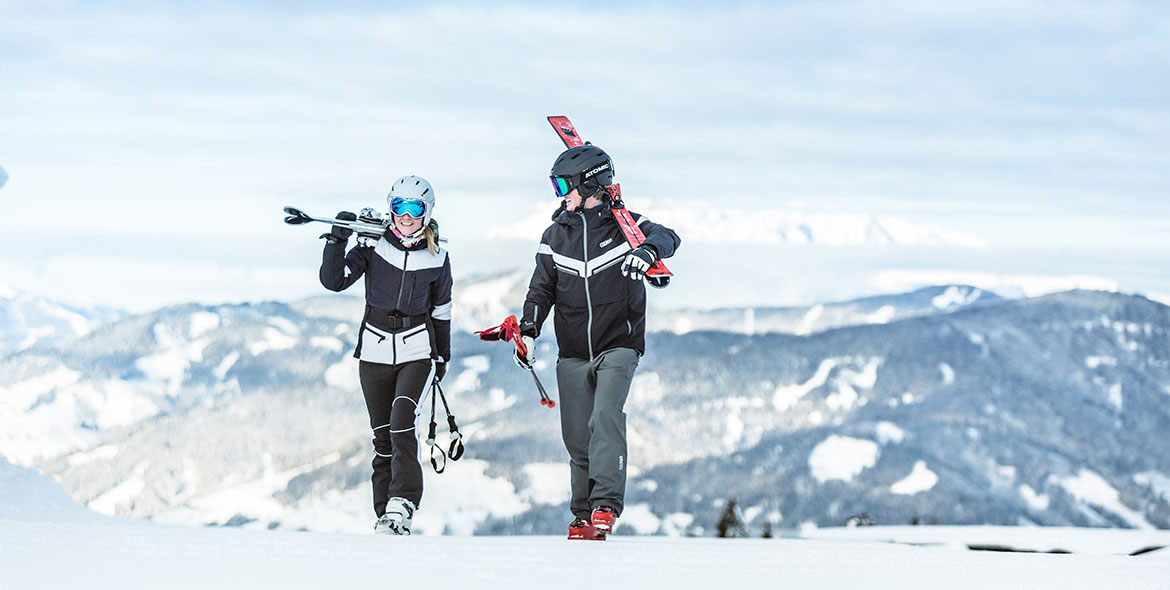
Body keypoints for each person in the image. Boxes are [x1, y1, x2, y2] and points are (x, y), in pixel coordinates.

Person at [517, 144, 680, 540]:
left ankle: (605, 503)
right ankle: (583, 515)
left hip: (619, 343)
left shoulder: (628, 227)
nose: (560, 194)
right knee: (576, 436)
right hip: (572, 350)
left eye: (563, 185)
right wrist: (528, 330)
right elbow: (541, 289)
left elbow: (669, 236)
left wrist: (646, 250)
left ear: (588, 183)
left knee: (605, 416)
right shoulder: (555, 235)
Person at [318, 175, 453, 536]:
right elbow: (334, 280)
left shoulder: (437, 256)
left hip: (417, 350)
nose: (406, 216)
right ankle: (387, 517)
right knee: (382, 438)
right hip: (374, 352)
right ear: (390, 207)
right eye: (399, 207)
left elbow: (441, 309)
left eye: (415, 208)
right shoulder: (372, 246)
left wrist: (443, 356)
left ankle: (403, 502)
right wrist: (337, 237)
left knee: (402, 421)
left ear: (427, 212)